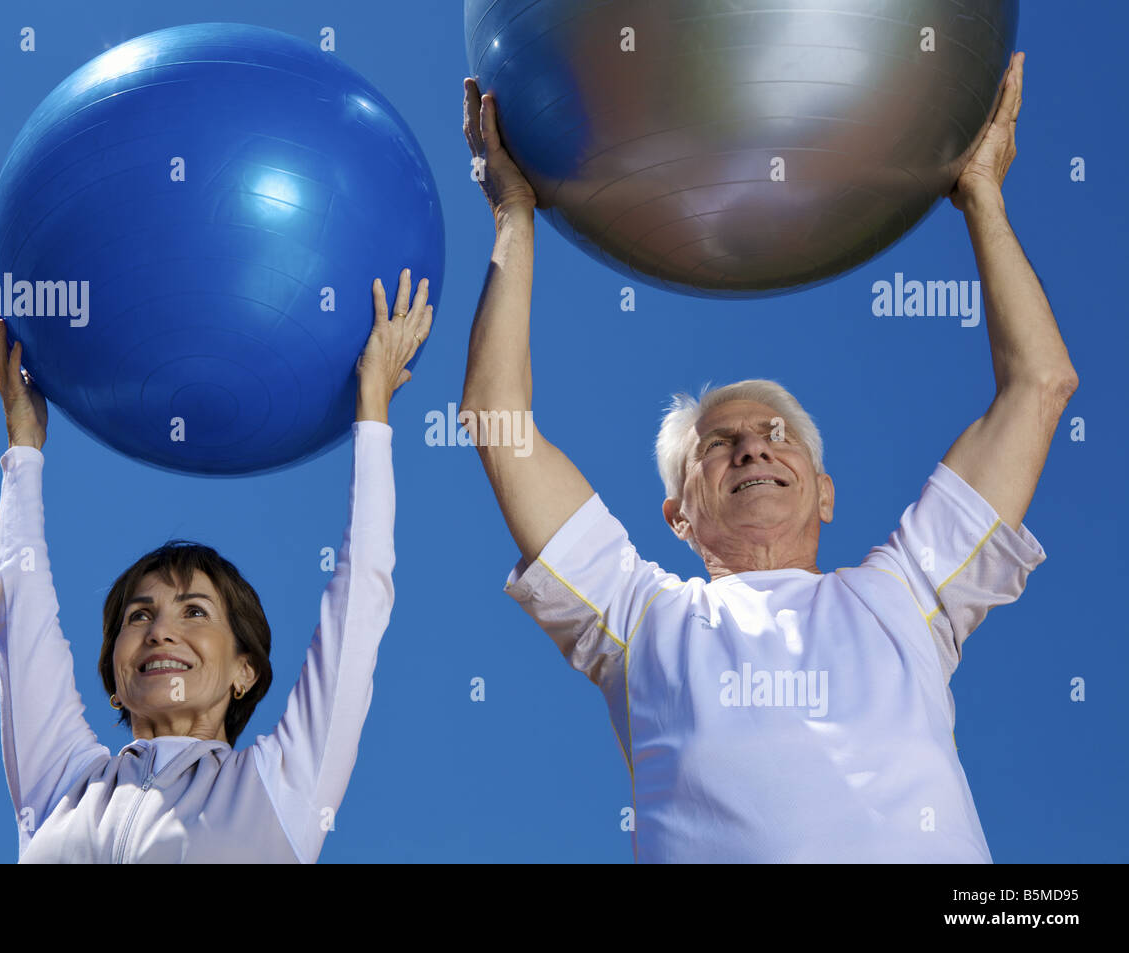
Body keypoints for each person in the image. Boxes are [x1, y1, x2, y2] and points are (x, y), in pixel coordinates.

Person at [460, 53, 1078, 862]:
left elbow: (1040, 383)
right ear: (678, 514)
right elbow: (495, 418)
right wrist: (514, 212)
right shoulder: (644, 619)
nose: (753, 444)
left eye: (776, 436)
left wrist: (982, 195)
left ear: (824, 493)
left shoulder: (905, 592)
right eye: (719, 445)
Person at [0, 270, 432, 863]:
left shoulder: (280, 789)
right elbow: (21, 613)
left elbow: (361, 602)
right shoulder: (60, 786)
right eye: (138, 616)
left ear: (244, 671)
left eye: (194, 611)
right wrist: (24, 448)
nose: (159, 630)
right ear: (117, 681)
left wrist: (372, 412)